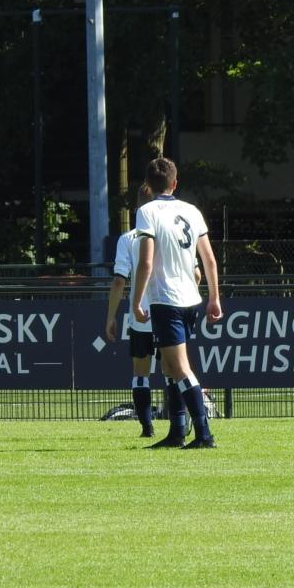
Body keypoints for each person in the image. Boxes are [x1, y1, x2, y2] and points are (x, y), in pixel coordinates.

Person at [131, 156, 223, 449]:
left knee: (180, 368)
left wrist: (136, 302)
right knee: (169, 368)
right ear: (175, 182)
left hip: (165, 299)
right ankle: (176, 432)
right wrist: (214, 298)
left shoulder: (147, 212)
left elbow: (145, 262)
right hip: (190, 298)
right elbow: (208, 259)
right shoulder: (191, 210)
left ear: (148, 184)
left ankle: (205, 433)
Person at [105, 184, 161, 438]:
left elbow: (119, 280)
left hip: (141, 316)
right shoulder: (171, 232)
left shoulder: (128, 239)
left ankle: (147, 426)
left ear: (137, 207)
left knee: (141, 373)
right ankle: (179, 424)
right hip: (171, 310)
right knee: (174, 371)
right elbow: (195, 272)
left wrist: (111, 317)